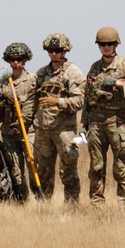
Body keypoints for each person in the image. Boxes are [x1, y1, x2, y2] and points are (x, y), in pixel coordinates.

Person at [83, 27, 125, 207]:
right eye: (103, 44)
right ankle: (96, 204)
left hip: (118, 123)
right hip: (96, 123)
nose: (106, 47)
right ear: (99, 46)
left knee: (120, 165)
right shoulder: (94, 68)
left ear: (116, 44)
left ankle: (124, 203)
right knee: (96, 166)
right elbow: (88, 98)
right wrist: (84, 125)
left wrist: (118, 84)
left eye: (110, 44)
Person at [32, 33, 86, 204]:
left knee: (68, 169)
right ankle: (43, 207)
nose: (54, 54)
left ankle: (71, 206)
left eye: (57, 50)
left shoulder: (73, 73)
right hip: (42, 130)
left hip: (64, 130)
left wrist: (58, 101)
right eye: (51, 50)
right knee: (42, 171)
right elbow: (31, 99)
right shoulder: (41, 73)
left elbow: (81, 100)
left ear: (65, 51)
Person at [0, 42, 38, 202]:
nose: (16, 62)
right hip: (9, 134)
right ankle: (22, 202)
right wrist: (1, 99)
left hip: (29, 132)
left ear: (25, 60)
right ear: (8, 61)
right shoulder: (3, 84)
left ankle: (41, 201)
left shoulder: (33, 81)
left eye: (19, 58)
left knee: (33, 166)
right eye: (12, 59)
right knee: (16, 171)